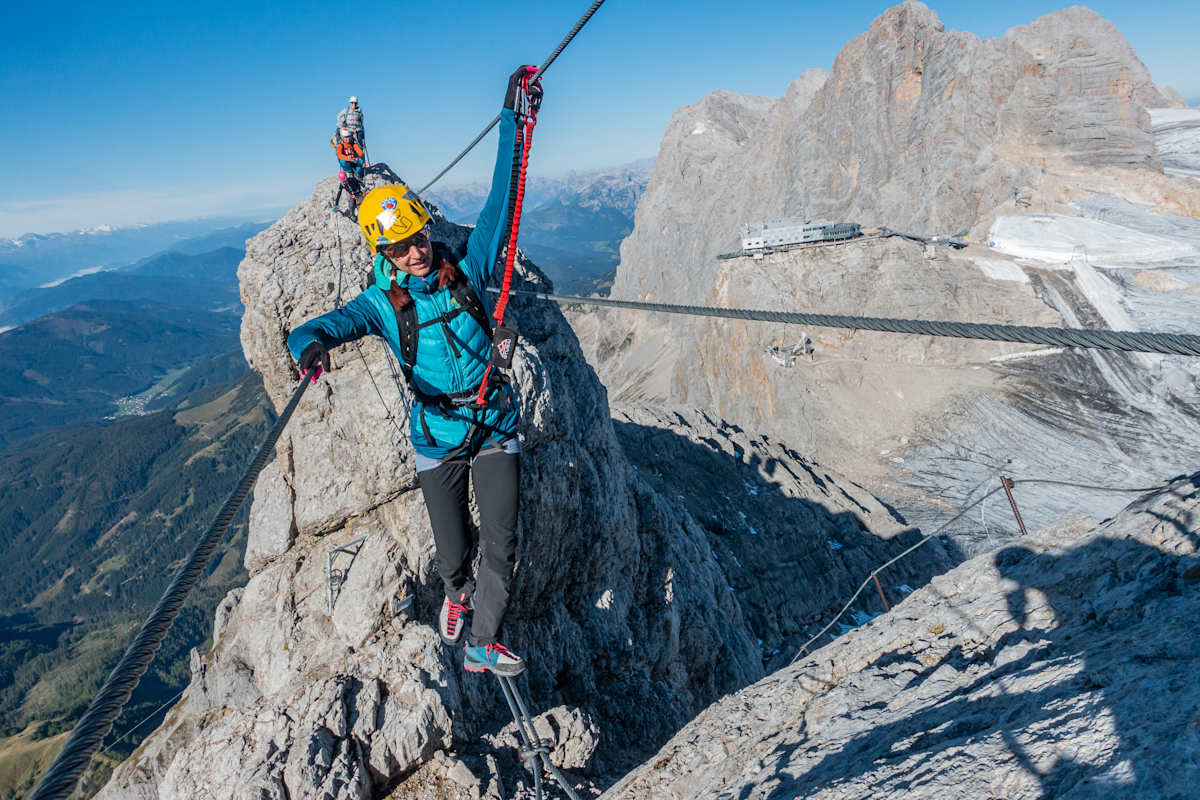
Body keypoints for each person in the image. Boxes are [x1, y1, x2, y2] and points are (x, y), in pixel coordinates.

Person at [289, 66, 541, 677]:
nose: (416, 252)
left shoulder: (469, 265)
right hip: (435, 436)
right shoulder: (383, 304)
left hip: (492, 421)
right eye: (400, 247)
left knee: (502, 545)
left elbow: (500, 199)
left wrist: (513, 118)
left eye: (418, 238)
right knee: (455, 552)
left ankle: (483, 639)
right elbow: (322, 326)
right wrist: (308, 347)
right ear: (384, 255)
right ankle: (455, 594)